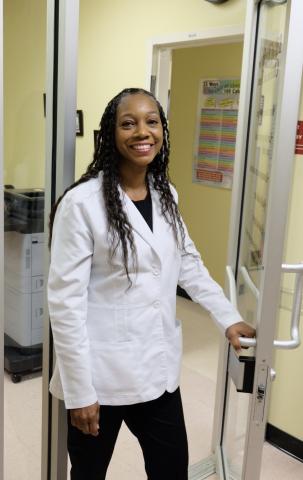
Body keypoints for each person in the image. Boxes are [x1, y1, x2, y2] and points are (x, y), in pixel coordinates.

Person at [48, 87, 255, 480]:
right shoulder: (82, 204)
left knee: (172, 469)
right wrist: (79, 393)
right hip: (101, 378)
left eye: (152, 121)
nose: (142, 132)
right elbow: (65, 304)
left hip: (157, 373)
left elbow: (188, 264)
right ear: (111, 134)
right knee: (89, 474)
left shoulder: (166, 194)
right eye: (129, 123)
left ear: (162, 130)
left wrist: (228, 317)